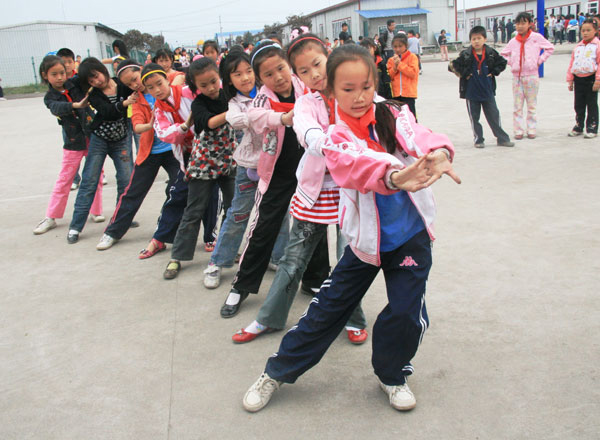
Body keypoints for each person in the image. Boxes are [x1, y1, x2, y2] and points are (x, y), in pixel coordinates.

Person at [241, 43, 461, 414]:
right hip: (364, 241)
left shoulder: (393, 111)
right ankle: (275, 372)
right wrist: (394, 175)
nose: (358, 97)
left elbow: (419, 136)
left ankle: (392, 375)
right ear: (330, 91)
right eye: (347, 89)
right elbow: (351, 166)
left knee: (407, 312)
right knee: (326, 309)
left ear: (374, 82)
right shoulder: (335, 134)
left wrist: (441, 152)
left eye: (365, 87)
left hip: (410, 237)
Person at [232, 34, 369, 345]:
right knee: (294, 258)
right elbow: (307, 132)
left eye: (317, 64)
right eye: (304, 71)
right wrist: (330, 141)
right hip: (315, 190)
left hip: (353, 191)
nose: (314, 75)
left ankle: (353, 317)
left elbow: (384, 117)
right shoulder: (306, 102)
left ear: (329, 57)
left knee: (350, 258)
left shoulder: (353, 91)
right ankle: (269, 318)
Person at [219, 40, 307, 318]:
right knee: (263, 227)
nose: (277, 77)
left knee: (312, 225)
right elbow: (254, 116)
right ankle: (241, 286)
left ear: (288, 65)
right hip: (278, 171)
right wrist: (283, 118)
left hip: (311, 169)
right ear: (261, 78)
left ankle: (315, 280)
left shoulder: (305, 85)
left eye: (280, 68)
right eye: (268, 74)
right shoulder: (262, 98)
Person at [203, 47, 289, 289]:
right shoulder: (234, 103)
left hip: (276, 166)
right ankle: (218, 261)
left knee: (280, 214)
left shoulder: (270, 92)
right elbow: (237, 120)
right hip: (249, 166)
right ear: (228, 80)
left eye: (248, 71)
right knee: (238, 214)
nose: (245, 77)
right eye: (237, 74)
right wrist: (265, 115)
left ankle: (278, 258)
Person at [95, 60, 183, 250]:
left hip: (174, 150)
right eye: (129, 84)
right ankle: (112, 232)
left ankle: (166, 232)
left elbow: (179, 77)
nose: (135, 85)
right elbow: (136, 126)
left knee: (177, 189)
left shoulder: (165, 83)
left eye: (135, 79)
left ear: (141, 71)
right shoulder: (136, 100)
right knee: (132, 193)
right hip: (150, 151)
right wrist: (152, 123)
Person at [162, 58, 237, 279]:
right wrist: (234, 111)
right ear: (196, 88)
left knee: (233, 210)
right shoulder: (198, 105)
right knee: (194, 210)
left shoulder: (229, 96)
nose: (211, 88)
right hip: (204, 162)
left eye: (214, 81)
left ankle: (227, 250)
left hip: (230, 159)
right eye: (204, 85)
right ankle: (177, 256)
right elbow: (209, 122)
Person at [67, 57, 136, 244]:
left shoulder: (122, 84)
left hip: (121, 139)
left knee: (125, 180)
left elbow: (139, 80)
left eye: (96, 75)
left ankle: (121, 219)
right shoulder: (94, 94)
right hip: (99, 140)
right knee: (89, 180)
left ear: (102, 69)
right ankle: (75, 226)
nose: (97, 81)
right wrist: (125, 103)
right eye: (90, 80)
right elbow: (107, 111)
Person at [33, 55, 103, 235]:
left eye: (62, 73)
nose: (59, 77)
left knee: (95, 175)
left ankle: (95, 211)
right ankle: (52, 217)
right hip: (72, 143)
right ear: (45, 75)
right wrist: (75, 105)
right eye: (54, 74)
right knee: (65, 179)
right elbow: (57, 107)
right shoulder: (50, 97)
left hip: (92, 137)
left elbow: (88, 75)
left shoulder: (75, 84)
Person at [450, 26, 514, 148]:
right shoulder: (466, 54)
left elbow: (502, 62)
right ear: (470, 41)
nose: (476, 41)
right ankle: (478, 140)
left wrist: (494, 72)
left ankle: (502, 139)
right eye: (473, 39)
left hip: (487, 91)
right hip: (471, 93)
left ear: (484, 39)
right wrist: (465, 74)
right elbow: (452, 65)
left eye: (479, 38)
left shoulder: (490, 53)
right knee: (475, 118)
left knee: (494, 116)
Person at [501, 12, 554, 139]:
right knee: (517, 106)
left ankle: (531, 128)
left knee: (531, 104)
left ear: (530, 24)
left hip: (531, 76)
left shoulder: (536, 38)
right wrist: (512, 63)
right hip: (517, 77)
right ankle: (518, 130)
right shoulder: (513, 41)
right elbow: (503, 54)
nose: (520, 26)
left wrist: (539, 61)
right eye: (518, 23)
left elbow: (550, 48)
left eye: (523, 23)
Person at [566, 19, 599, 138]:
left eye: (588, 30)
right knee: (578, 104)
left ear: (595, 31)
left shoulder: (597, 46)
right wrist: (570, 80)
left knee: (591, 104)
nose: (585, 33)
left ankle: (592, 127)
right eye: (583, 30)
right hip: (578, 79)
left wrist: (598, 80)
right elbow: (572, 63)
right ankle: (579, 125)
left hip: (591, 79)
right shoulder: (578, 47)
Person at [387, 34, 419, 118]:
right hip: (396, 94)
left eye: (400, 46)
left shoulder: (412, 57)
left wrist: (399, 64)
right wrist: (394, 67)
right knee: (398, 120)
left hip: (409, 94)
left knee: (411, 119)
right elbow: (389, 76)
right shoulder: (391, 60)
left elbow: (412, 73)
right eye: (395, 47)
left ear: (406, 45)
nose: (397, 49)